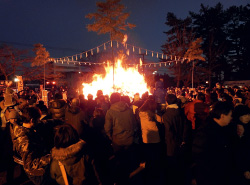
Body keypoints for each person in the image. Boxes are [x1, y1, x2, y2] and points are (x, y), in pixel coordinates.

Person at [12, 107, 62, 185]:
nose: (39, 121)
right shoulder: (25, 141)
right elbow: (30, 166)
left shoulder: (27, 127)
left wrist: (59, 121)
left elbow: (44, 123)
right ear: (32, 120)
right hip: (37, 173)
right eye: (38, 119)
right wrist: (52, 156)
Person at [192, 101, 234, 185]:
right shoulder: (206, 131)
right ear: (222, 116)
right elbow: (199, 155)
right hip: (209, 176)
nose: (231, 118)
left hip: (220, 174)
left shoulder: (224, 128)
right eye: (230, 115)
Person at [104, 92, 139, 185]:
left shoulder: (110, 112)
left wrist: (110, 137)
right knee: (128, 160)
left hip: (117, 140)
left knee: (119, 160)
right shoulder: (129, 110)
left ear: (111, 100)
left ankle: (121, 179)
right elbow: (134, 124)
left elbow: (107, 128)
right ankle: (130, 178)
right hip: (129, 139)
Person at [162, 94, 191, 185]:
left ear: (167, 102)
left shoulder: (166, 115)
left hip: (171, 143)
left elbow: (168, 131)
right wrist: (183, 139)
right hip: (181, 141)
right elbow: (186, 126)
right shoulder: (180, 112)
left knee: (172, 165)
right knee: (180, 163)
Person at [138, 98, 164, 184]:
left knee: (148, 155)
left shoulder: (140, 113)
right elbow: (161, 120)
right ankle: (155, 173)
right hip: (155, 137)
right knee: (155, 156)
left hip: (146, 137)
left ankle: (148, 171)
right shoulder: (152, 113)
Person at [232, 105, 250, 185]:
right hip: (238, 167)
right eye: (244, 115)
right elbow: (238, 151)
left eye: (248, 115)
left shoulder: (247, 127)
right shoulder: (233, 129)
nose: (247, 117)